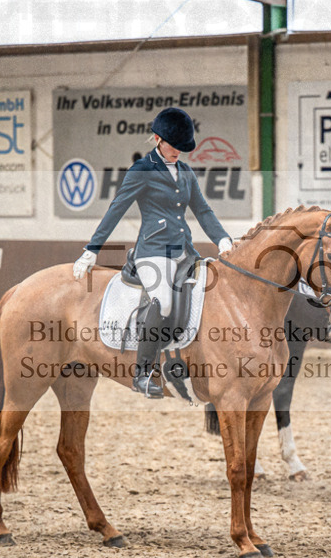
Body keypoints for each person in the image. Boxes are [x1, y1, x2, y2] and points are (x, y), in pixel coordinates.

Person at [73, 107, 232, 398]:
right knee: (164, 302)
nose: (178, 153)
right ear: (157, 139)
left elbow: (202, 210)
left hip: (184, 250)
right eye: (174, 146)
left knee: (207, 294)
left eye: (183, 148)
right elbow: (116, 210)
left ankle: (184, 360)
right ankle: (143, 373)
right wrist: (91, 250)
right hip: (153, 252)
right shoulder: (142, 171)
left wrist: (222, 238)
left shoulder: (185, 172)